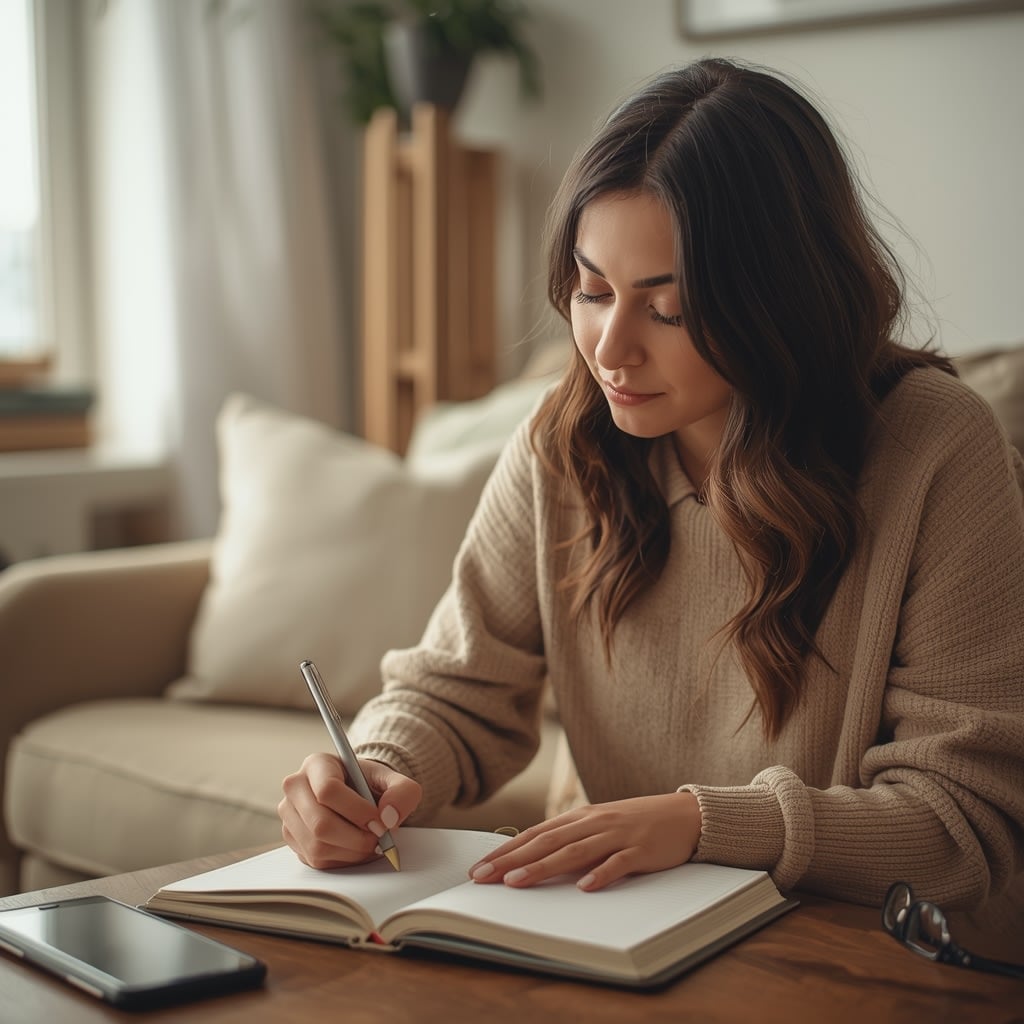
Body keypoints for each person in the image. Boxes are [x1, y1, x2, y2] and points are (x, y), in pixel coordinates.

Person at [278, 58, 1024, 936]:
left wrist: (705, 824)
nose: (610, 349)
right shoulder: (564, 444)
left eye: (667, 311)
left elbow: (965, 822)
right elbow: (456, 687)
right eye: (592, 291)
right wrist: (371, 767)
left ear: (777, 304)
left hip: (853, 949)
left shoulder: (936, 447)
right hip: (617, 938)